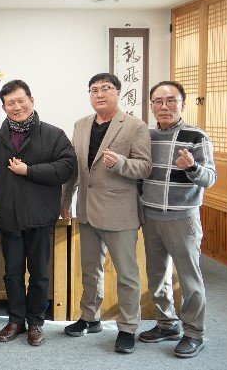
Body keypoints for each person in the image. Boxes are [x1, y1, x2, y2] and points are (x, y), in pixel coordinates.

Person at [61, 73, 152, 354]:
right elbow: (74, 168)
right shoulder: (80, 125)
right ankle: (90, 317)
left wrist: (122, 163)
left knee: (127, 274)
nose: (99, 94)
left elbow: (145, 167)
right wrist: (65, 200)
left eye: (106, 88)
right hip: (87, 209)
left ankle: (127, 328)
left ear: (118, 92)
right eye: (94, 90)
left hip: (120, 212)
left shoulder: (135, 126)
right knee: (90, 270)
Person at [0, 80, 76, 346]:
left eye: (21, 100)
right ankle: (15, 320)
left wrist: (30, 171)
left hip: (39, 216)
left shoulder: (53, 134)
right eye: (10, 103)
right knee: (12, 273)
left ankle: (35, 322)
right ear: (4, 107)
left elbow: (67, 167)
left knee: (39, 273)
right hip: (9, 218)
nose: (17, 106)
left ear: (31, 101)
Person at [138, 81, 215, 358]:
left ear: (182, 103)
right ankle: (167, 324)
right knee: (157, 275)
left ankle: (194, 333)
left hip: (183, 217)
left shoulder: (197, 136)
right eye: (158, 101)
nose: (164, 106)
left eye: (171, 100)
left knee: (189, 278)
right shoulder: (146, 135)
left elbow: (210, 178)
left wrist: (192, 168)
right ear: (151, 106)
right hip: (151, 216)